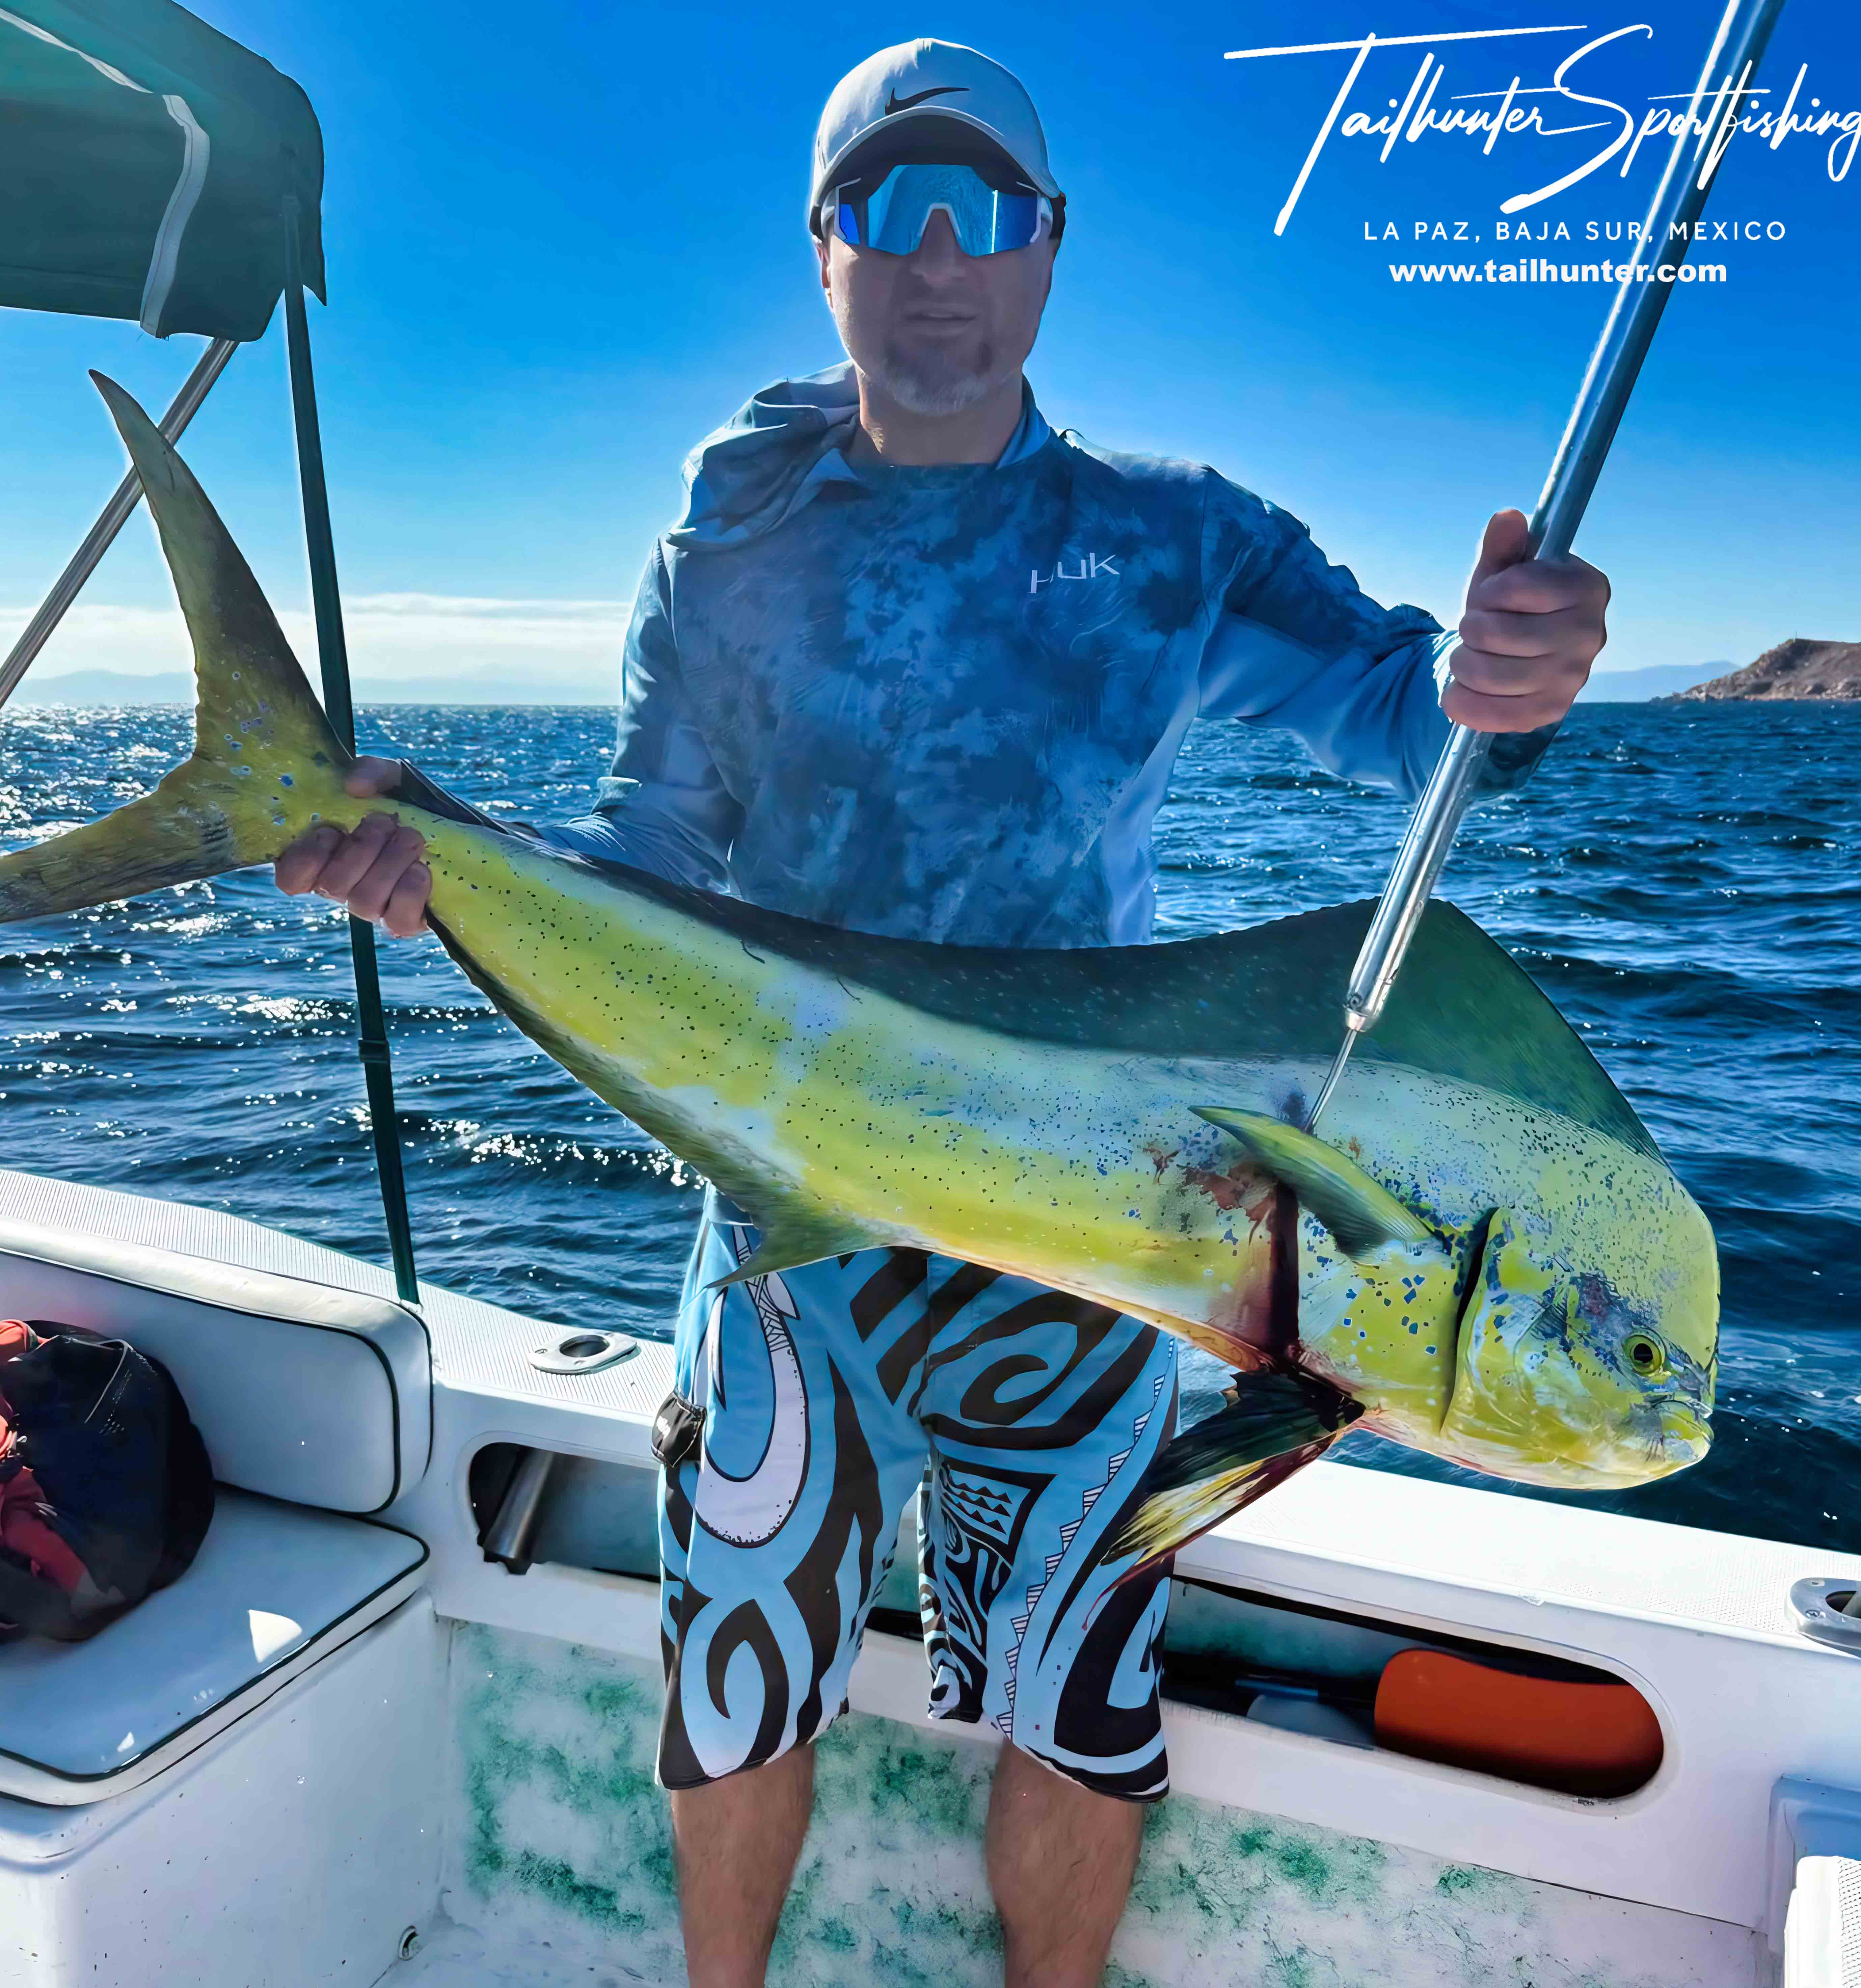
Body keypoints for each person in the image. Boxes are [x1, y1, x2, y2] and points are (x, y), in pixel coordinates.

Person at [276, 38, 1608, 1988]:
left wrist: (1513, 677)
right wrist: (450, 862)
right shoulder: (732, 535)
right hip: (787, 1235)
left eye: (980, 209)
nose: (933, 256)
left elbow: (1416, 725)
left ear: (1049, 246)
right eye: (881, 209)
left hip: (1079, 1248)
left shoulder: (1173, 542)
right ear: (819, 250)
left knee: (1082, 1704)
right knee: (735, 1679)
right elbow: (650, 846)